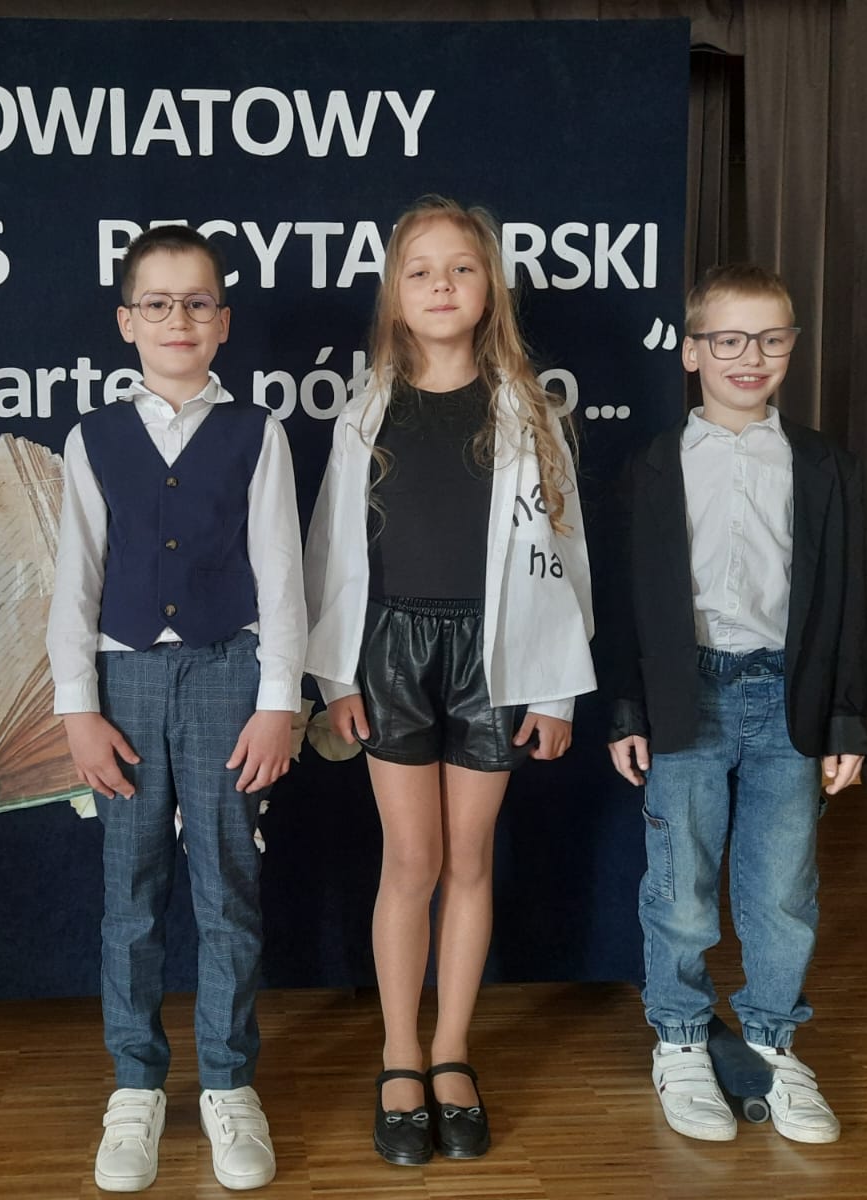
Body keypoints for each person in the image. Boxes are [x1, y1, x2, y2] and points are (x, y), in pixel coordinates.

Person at [304, 196, 596, 1166]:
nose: (441, 285)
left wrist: (553, 691)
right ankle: (399, 1056)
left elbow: (566, 555)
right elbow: (330, 553)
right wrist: (334, 676)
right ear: (395, 293)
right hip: (389, 651)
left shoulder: (532, 413)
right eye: (421, 270)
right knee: (411, 861)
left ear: (489, 289)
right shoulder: (363, 414)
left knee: (470, 861)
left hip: (495, 659)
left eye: (461, 268)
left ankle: (451, 1053)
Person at [46, 224, 307, 1192]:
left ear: (223, 321)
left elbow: (281, 578)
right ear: (127, 322)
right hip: (123, 684)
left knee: (228, 887)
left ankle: (230, 1085)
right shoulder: (92, 438)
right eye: (157, 303)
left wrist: (277, 701)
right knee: (131, 892)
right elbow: (75, 578)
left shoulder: (257, 434)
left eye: (197, 302)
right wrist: (78, 706)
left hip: (228, 675)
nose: (178, 319)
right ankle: (136, 1087)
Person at [605, 262, 867, 1144]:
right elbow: (626, 600)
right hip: (687, 694)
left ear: (791, 347)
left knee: (783, 887)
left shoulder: (824, 465)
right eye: (728, 339)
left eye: (769, 339)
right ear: (692, 352)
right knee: (679, 885)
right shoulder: (652, 465)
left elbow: (847, 596)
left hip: (788, 695)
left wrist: (845, 717)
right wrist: (627, 708)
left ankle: (771, 1043)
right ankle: (681, 1040)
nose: (749, 357)